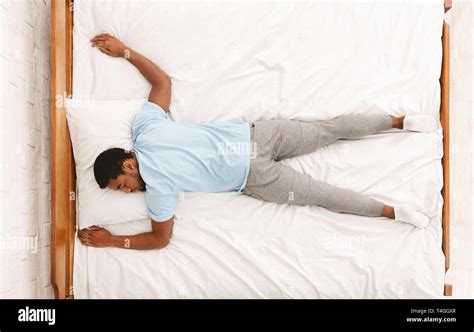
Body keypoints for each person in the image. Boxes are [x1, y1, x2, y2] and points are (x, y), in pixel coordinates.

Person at [78, 34, 438, 250]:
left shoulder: (145, 131)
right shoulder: (156, 188)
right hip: (255, 178)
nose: (127, 193)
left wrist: (126, 51)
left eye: (122, 186)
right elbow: (160, 240)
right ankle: (392, 212)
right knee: (324, 195)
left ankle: (399, 122)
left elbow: (162, 83)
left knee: (330, 129)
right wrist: (112, 240)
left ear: (128, 164)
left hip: (258, 136)